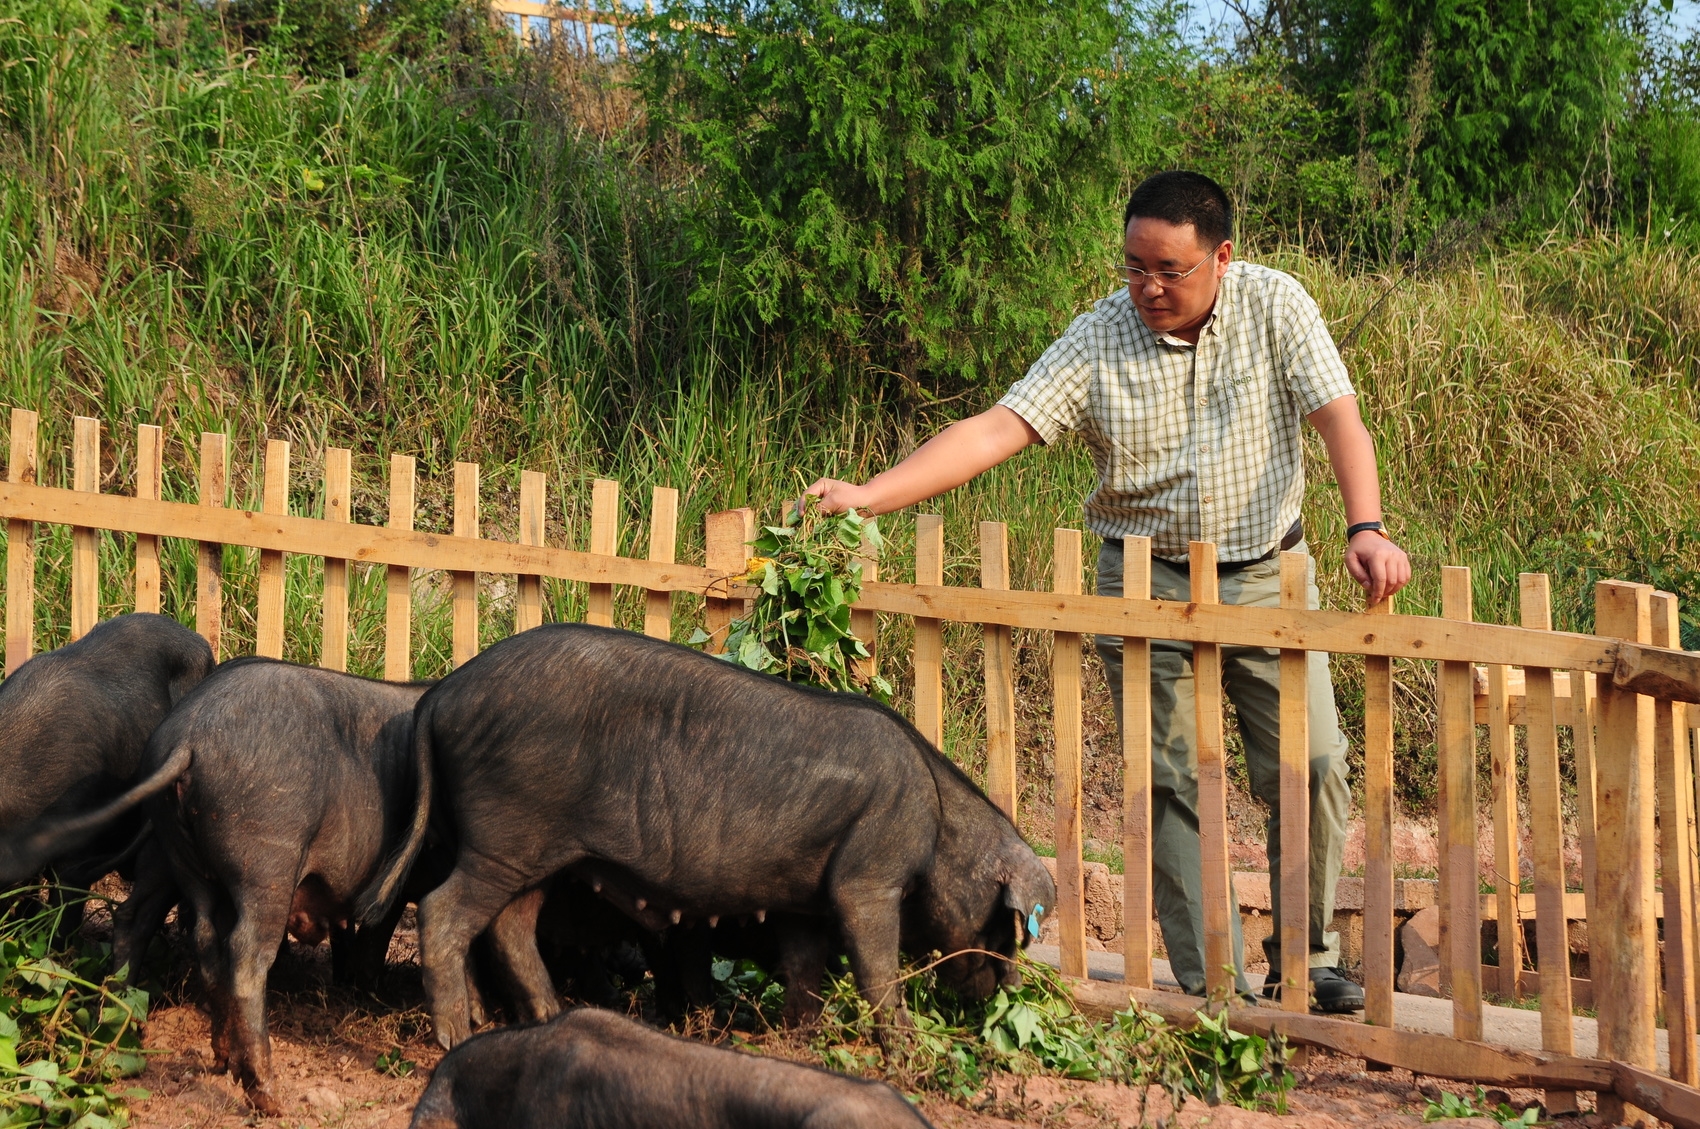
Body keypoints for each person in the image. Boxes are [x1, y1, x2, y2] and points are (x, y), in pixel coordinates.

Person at [805, 170, 1411, 1012]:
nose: (1149, 287)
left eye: (1170, 269)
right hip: (1144, 581)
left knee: (1312, 766)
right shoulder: (1099, 337)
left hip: (1272, 573)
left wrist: (1366, 527)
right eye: (1134, 267)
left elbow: (1338, 416)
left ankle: (1306, 959)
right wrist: (869, 493)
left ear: (1222, 257)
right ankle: (1214, 986)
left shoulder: (1277, 305)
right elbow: (996, 428)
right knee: (1171, 779)